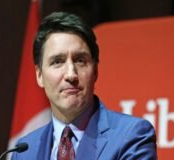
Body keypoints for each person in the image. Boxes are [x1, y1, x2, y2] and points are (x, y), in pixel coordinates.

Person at [11, 12, 157, 160]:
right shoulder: (24, 151)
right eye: (57, 62)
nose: (71, 75)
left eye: (80, 60)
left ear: (95, 71)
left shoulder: (132, 135)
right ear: (39, 75)